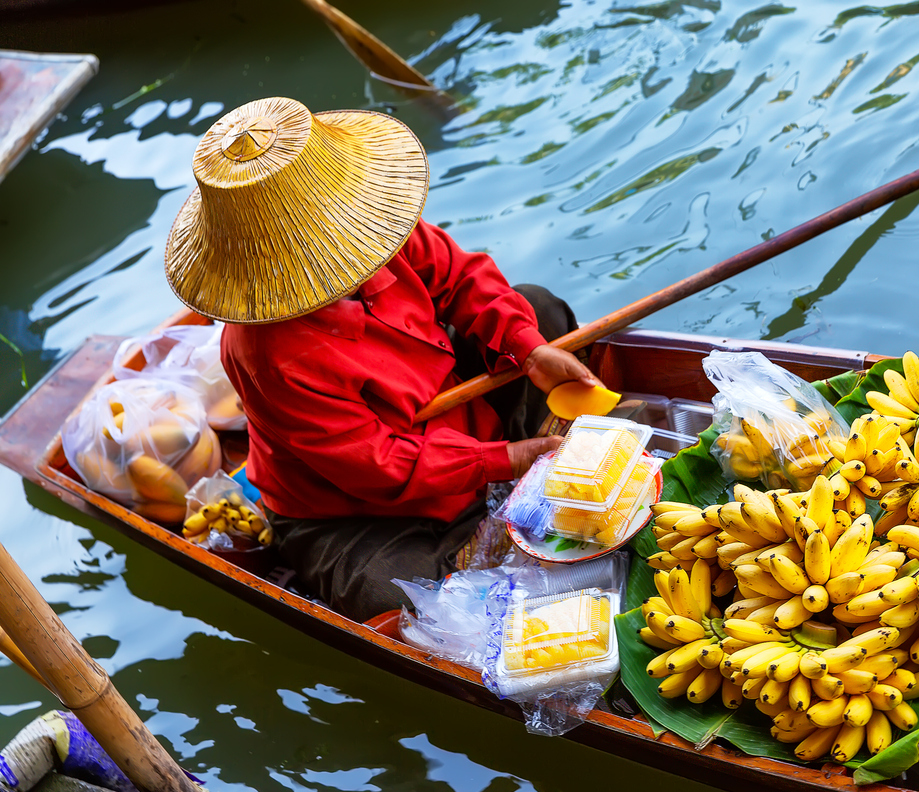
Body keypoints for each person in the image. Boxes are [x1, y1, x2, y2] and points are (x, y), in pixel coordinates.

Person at [163, 96, 601, 622]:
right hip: (353, 506)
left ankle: (528, 463)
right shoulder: (267, 353)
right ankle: (513, 487)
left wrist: (528, 351)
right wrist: (505, 460)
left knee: (537, 308)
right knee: (385, 595)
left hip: (447, 405)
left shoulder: (375, 227)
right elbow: (376, 464)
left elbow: (461, 276)